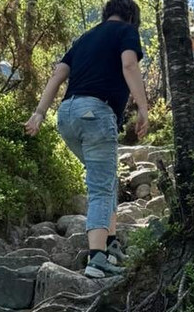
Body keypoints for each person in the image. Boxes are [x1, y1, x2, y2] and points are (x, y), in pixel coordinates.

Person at [25, 0, 148, 279]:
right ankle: (97, 259)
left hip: (66, 115)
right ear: (131, 17)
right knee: (102, 187)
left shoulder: (84, 38)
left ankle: (112, 242)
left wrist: (39, 113)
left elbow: (58, 74)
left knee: (104, 179)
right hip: (95, 112)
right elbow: (129, 65)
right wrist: (143, 108)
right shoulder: (125, 31)